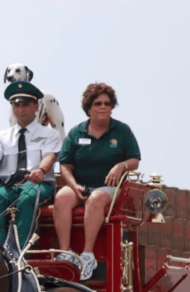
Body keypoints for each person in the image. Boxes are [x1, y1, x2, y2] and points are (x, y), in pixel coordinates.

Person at [53, 83, 141, 280]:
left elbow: (135, 160)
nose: (103, 107)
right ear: (89, 108)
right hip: (81, 185)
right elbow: (65, 165)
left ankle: (87, 255)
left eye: (107, 104)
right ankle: (65, 253)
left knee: (95, 199)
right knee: (61, 197)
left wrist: (120, 167)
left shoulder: (122, 131)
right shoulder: (77, 133)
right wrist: (73, 185)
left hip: (107, 189)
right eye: (98, 103)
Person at [0, 81, 62, 250]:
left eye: (26, 105)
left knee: (27, 199)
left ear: (36, 106)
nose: (20, 109)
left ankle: (18, 253)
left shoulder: (49, 134)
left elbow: (49, 156)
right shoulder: (1, 136)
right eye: (16, 105)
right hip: (7, 186)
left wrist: (41, 170)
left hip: (37, 184)